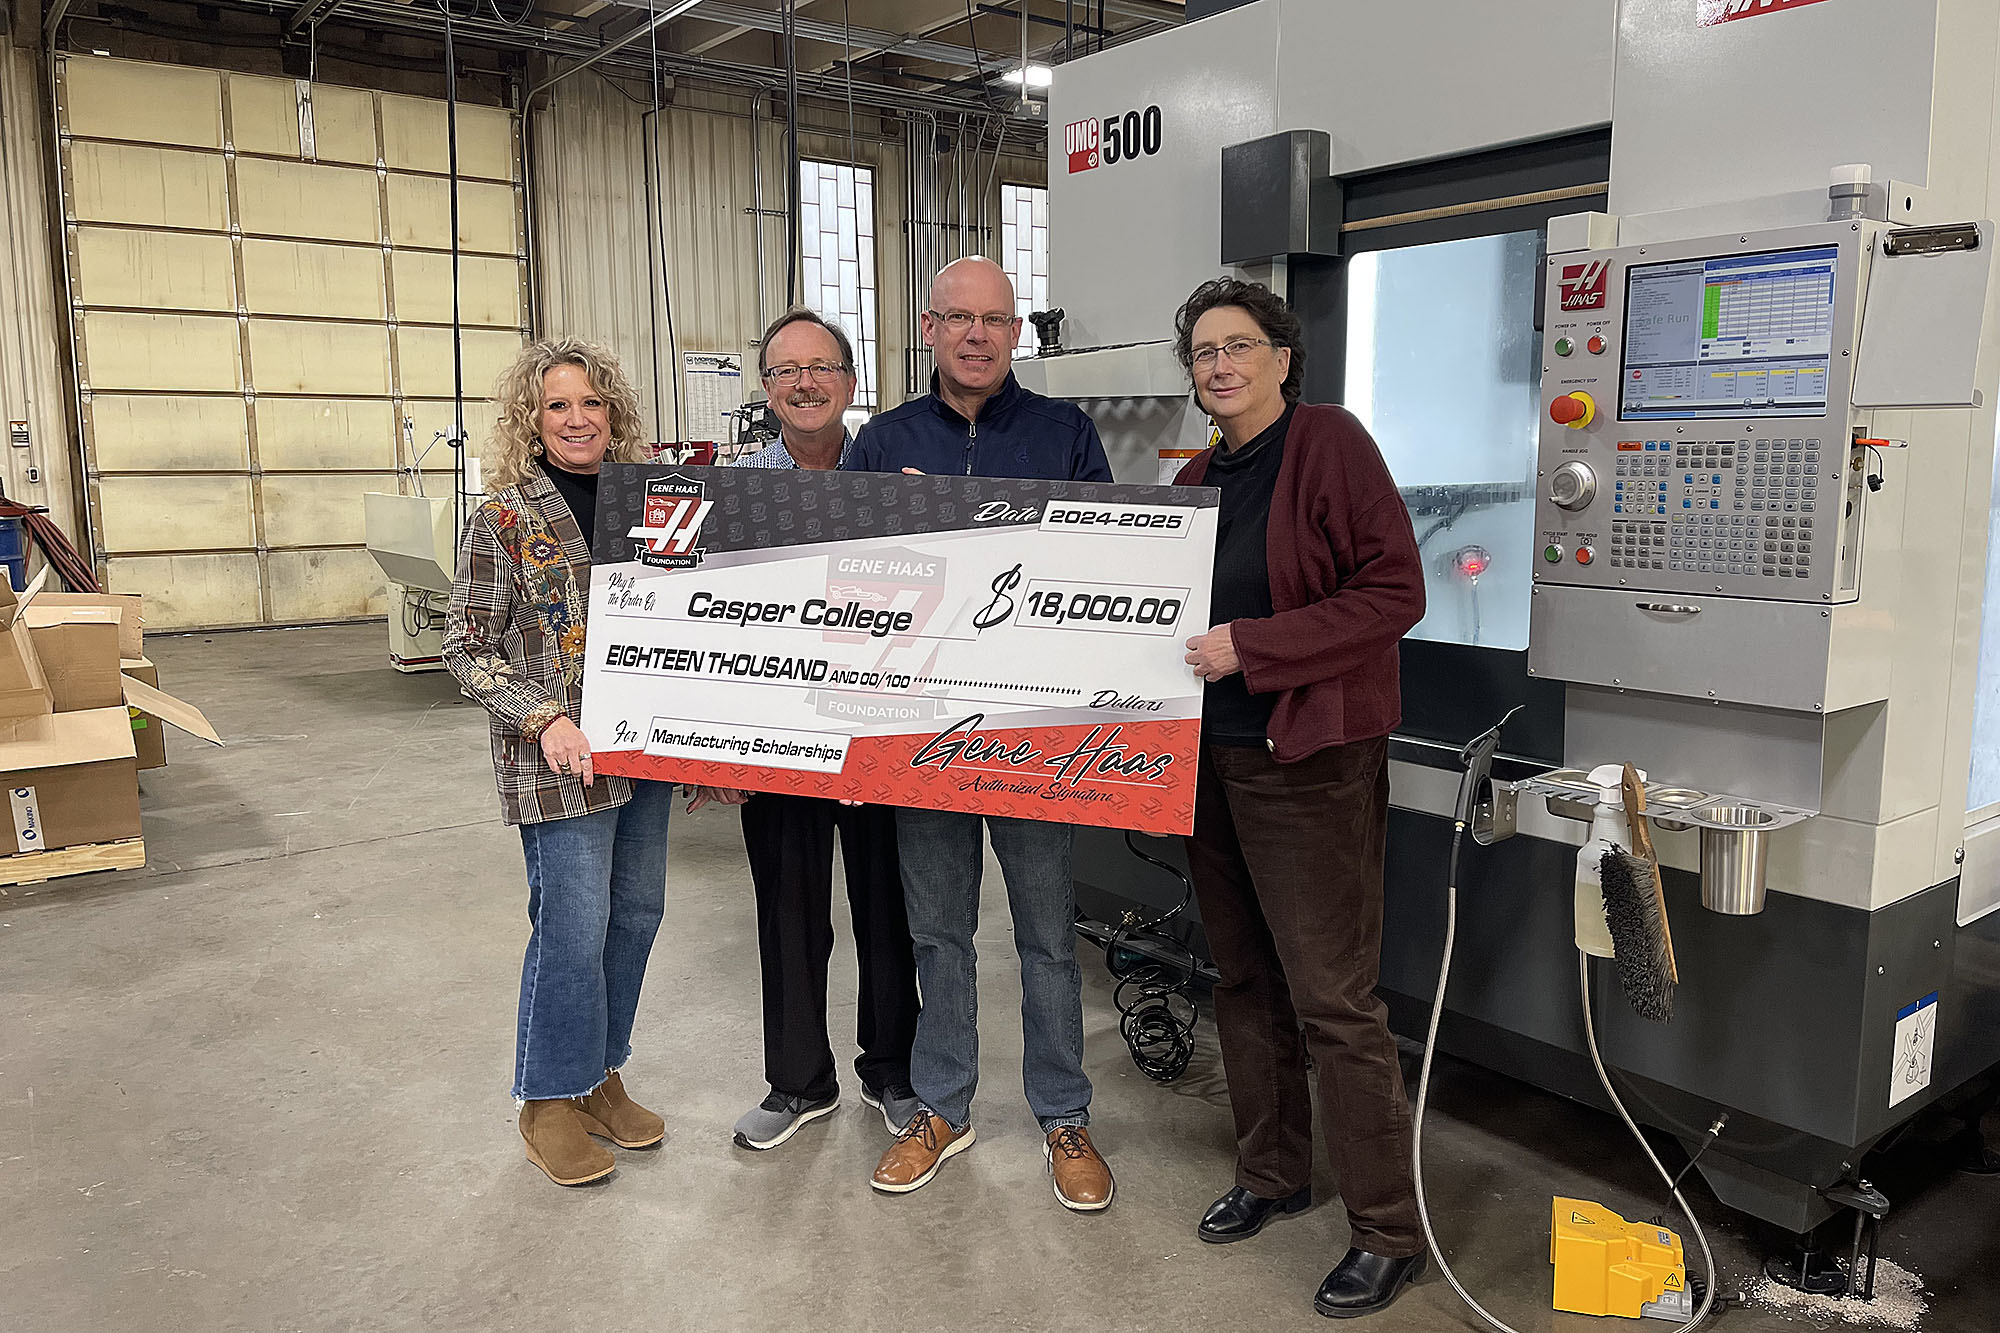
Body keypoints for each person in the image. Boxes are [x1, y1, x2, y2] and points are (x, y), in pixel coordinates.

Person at [1169, 278, 1430, 1318]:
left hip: (1305, 759)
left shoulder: (1329, 444)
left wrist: (1253, 646)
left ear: (1282, 356)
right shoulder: (1194, 475)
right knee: (1241, 978)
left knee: (1332, 998)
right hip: (1206, 763)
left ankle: (1387, 1229)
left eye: (1238, 345)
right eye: (1200, 352)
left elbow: (1391, 591)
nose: (1218, 365)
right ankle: (1272, 1174)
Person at [845, 257, 1118, 1210]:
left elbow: (1110, 569)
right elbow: (846, 583)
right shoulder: (881, 443)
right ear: (928, 328)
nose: (976, 335)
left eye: (994, 319)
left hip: (1038, 731)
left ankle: (1064, 1114)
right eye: (958, 318)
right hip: (921, 732)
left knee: (1048, 935)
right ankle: (944, 1107)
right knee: (939, 932)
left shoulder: (1065, 433)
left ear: (1015, 333)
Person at [444, 338, 681, 1188]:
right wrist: (542, 716)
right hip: (560, 763)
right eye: (557, 405)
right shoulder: (502, 519)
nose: (577, 418)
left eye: (591, 402)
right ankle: (546, 1100)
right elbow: (464, 647)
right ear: (532, 421)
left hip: (644, 752)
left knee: (637, 917)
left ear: (612, 413)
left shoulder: (653, 511)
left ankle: (600, 1074)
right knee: (572, 932)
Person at [727, 308, 923, 1150]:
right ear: (768, 391)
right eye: (785, 372)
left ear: (850, 379)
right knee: (790, 914)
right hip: (778, 738)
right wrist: (715, 744)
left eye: (821, 367)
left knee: (891, 910)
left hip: (882, 732)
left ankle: (894, 1070)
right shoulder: (730, 493)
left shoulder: (894, 473)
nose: (805, 383)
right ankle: (798, 1082)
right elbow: (704, 628)